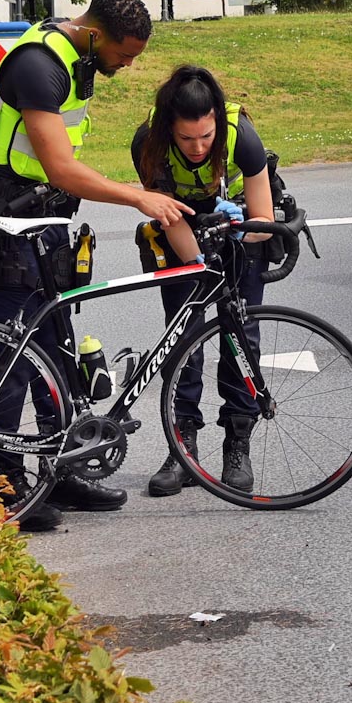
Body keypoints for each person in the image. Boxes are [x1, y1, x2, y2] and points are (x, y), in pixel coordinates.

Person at [0, 0, 193, 531]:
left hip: (46, 218)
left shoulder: (75, 58)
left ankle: (59, 469)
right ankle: (3, 485)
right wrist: (138, 197)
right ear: (95, 34)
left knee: (58, 349)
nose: (128, 65)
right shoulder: (39, 66)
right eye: (125, 53)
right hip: (9, 218)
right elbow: (60, 167)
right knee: (12, 355)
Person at [130, 66, 276, 497]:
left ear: (217, 121)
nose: (197, 148)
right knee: (182, 337)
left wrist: (235, 232)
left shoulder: (241, 134)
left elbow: (263, 220)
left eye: (206, 137)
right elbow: (168, 217)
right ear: (169, 129)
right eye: (187, 138)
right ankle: (183, 447)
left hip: (239, 235)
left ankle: (237, 442)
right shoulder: (148, 142)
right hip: (182, 234)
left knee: (240, 338)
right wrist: (200, 264)